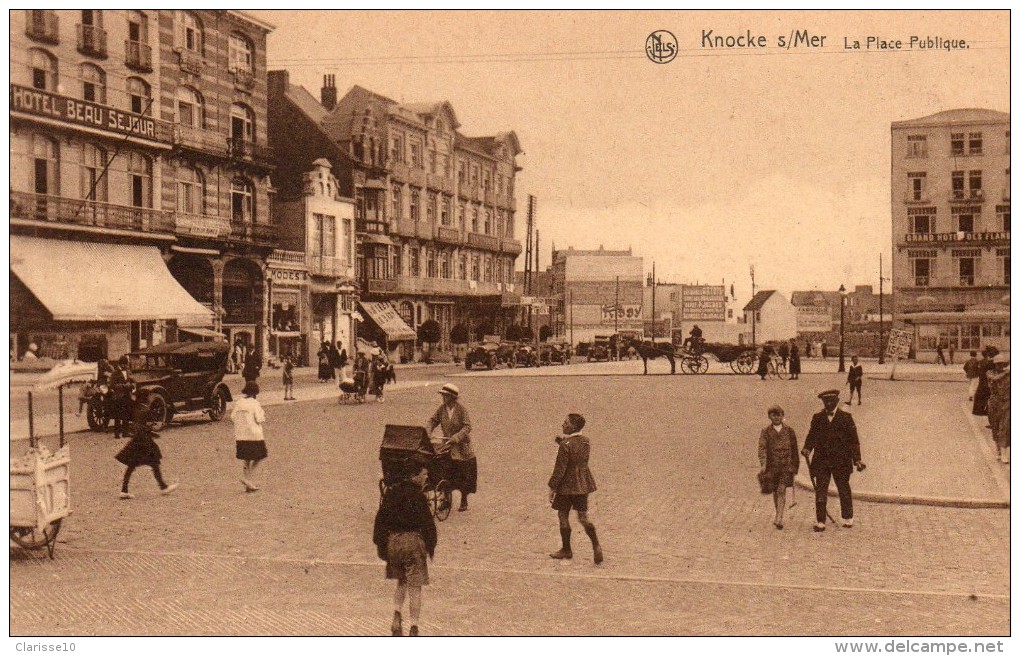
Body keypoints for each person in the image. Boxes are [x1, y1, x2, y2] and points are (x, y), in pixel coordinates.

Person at [373, 455, 437, 637]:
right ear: (414, 475)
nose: (426, 477)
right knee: (415, 587)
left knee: (401, 581)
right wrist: (430, 548)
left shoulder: (391, 493)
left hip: (393, 542)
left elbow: (380, 522)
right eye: (424, 474)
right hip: (413, 542)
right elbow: (428, 526)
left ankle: (396, 614)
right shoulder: (419, 497)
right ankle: (414, 627)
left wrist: (382, 548)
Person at [801, 389, 865, 532]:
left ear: (837, 401)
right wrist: (807, 448)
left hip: (841, 461)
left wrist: (857, 459)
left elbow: (854, 441)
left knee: (843, 488)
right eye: (826, 401)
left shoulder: (846, 418)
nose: (828, 403)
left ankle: (848, 517)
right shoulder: (817, 418)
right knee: (821, 489)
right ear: (823, 402)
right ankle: (820, 520)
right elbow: (812, 436)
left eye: (831, 401)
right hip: (822, 460)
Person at [548, 413, 603, 563]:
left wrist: (552, 487)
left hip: (566, 487)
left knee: (563, 516)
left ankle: (566, 549)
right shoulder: (586, 442)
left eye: (566, 423)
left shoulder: (565, 446)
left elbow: (560, 469)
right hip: (582, 485)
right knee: (583, 518)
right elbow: (575, 451)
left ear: (573, 427)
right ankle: (596, 545)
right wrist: (562, 442)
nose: (563, 425)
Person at [427, 383, 476, 512]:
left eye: (445, 395)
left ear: (452, 397)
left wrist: (457, 437)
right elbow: (433, 420)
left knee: (462, 474)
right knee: (445, 472)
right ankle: (446, 501)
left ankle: (463, 499)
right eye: (443, 395)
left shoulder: (461, 409)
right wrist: (428, 431)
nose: (443, 397)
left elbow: (467, 426)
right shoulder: (442, 409)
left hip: (461, 448)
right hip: (447, 446)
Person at [115, 402, 178, 499]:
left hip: (137, 441)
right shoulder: (144, 410)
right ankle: (163, 487)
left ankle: (124, 490)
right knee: (154, 462)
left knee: (132, 465)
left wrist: (150, 433)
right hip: (143, 441)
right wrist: (150, 433)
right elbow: (142, 427)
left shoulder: (137, 408)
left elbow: (138, 427)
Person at [758, 405, 799, 530]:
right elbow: (762, 448)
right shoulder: (765, 432)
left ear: (783, 416)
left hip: (786, 466)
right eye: (773, 415)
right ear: (770, 417)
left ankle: (779, 517)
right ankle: (778, 513)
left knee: (781, 490)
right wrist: (763, 464)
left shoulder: (789, 431)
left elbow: (794, 450)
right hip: (772, 467)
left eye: (779, 415)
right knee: (775, 491)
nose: (776, 417)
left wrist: (795, 466)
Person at [231, 381, 268, 492]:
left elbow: (233, 417)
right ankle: (248, 479)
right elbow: (259, 418)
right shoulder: (255, 403)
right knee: (260, 456)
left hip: (241, 435)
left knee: (246, 459)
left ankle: (248, 484)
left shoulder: (239, 403)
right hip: (254, 435)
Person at [987, 358, 1010, 463]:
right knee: (995, 428)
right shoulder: (990, 373)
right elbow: (994, 378)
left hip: (1006, 404)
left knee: (1004, 428)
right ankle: (998, 451)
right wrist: (1006, 373)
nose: (999, 366)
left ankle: (1004, 454)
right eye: (997, 364)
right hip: (994, 404)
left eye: (1001, 364)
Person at [109, 355, 134, 439]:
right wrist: (124, 386)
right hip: (118, 396)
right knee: (118, 415)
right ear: (122, 364)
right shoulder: (115, 373)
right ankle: (117, 434)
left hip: (127, 395)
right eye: (125, 364)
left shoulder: (127, 371)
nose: (126, 366)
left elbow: (132, 380)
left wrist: (132, 385)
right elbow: (112, 385)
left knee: (126, 414)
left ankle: (125, 432)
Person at [972, 346, 998, 416]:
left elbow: (977, 371)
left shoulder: (981, 362)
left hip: (982, 379)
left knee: (981, 394)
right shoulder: (991, 362)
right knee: (988, 395)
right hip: (987, 380)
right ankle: (987, 410)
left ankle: (978, 410)